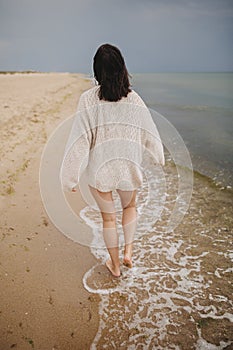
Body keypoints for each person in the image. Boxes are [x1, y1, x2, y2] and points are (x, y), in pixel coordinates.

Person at [60, 43, 165, 277]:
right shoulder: (134, 98)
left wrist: (70, 177)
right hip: (128, 167)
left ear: (97, 72)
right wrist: (158, 155)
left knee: (109, 219)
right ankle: (128, 251)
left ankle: (115, 267)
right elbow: (149, 130)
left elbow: (80, 139)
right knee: (130, 207)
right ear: (122, 69)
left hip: (100, 170)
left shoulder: (88, 100)